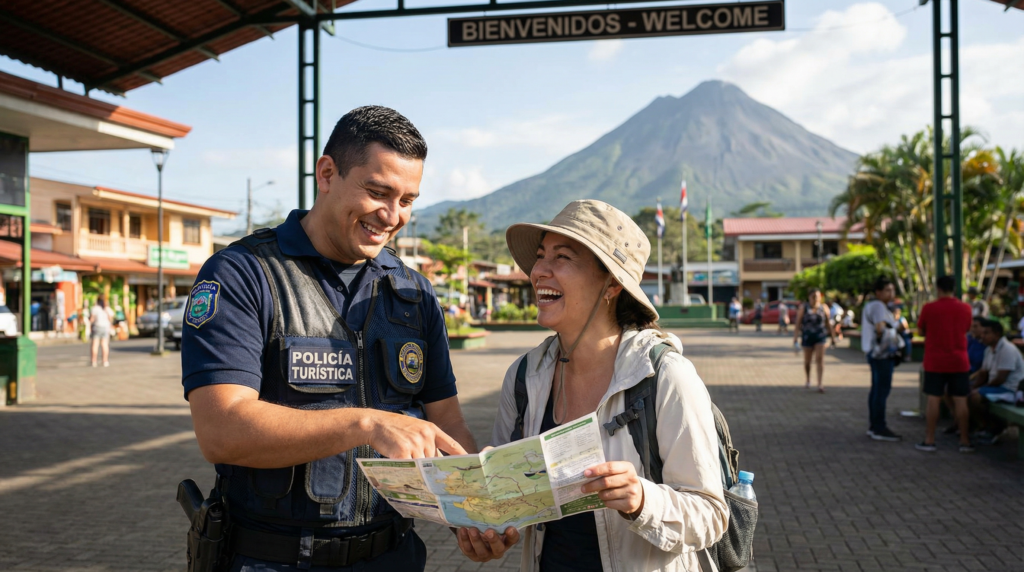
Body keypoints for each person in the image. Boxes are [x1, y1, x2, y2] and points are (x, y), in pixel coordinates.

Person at [181, 107, 479, 572]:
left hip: (393, 555)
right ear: (326, 173)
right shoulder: (243, 274)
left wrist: (476, 512)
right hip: (272, 558)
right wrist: (366, 425)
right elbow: (221, 430)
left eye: (407, 200)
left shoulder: (413, 292)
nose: (392, 215)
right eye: (378, 192)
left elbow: (449, 427)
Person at [459, 200, 728, 571]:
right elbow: (511, 505)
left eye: (562, 257)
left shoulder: (665, 376)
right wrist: (491, 531)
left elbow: (711, 514)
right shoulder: (524, 377)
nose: (539, 271)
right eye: (540, 256)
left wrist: (642, 500)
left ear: (611, 284)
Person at [914, 275, 974, 453]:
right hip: (959, 360)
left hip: (935, 360)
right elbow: (967, 328)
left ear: (938, 288)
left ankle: (929, 440)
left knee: (933, 399)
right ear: (954, 288)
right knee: (961, 400)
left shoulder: (929, 308)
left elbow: (921, 329)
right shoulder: (965, 308)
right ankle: (964, 440)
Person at [861, 276, 905, 441]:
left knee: (876, 390)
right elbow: (880, 329)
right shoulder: (879, 306)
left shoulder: (872, 306)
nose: (891, 293)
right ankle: (879, 427)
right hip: (882, 354)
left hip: (874, 353)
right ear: (878, 292)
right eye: (887, 290)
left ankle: (875, 426)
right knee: (881, 391)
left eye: (892, 289)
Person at [970, 319, 1024, 441]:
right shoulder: (989, 350)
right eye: (982, 333)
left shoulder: (1007, 349)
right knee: (967, 392)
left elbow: (1001, 378)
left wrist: (980, 389)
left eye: (987, 333)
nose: (982, 336)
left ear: (997, 334)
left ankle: (995, 428)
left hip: (1011, 390)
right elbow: (983, 373)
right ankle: (980, 426)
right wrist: (973, 386)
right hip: (998, 388)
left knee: (976, 396)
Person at [793, 288, 835, 393]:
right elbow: (798, 324)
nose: (816, 299)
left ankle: (820, 383)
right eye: (813, 297)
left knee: (820, 359)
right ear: (809, 297)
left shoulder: (824, 308)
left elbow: (828, 323)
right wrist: (795, 338)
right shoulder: (804, 308)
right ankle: (808, 380)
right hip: (807, 336)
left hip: (820, 336)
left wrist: (833, 337)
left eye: (818, 296)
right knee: (807, 361)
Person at [89, 295, 114, 367]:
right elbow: (111, 319)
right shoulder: (107, 309)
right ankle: (105, 361)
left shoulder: (95, 308)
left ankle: (94, 361)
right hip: (105, 327)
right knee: (105, 344)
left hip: (97, 327)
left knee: (95, 344)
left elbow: (92, 319)